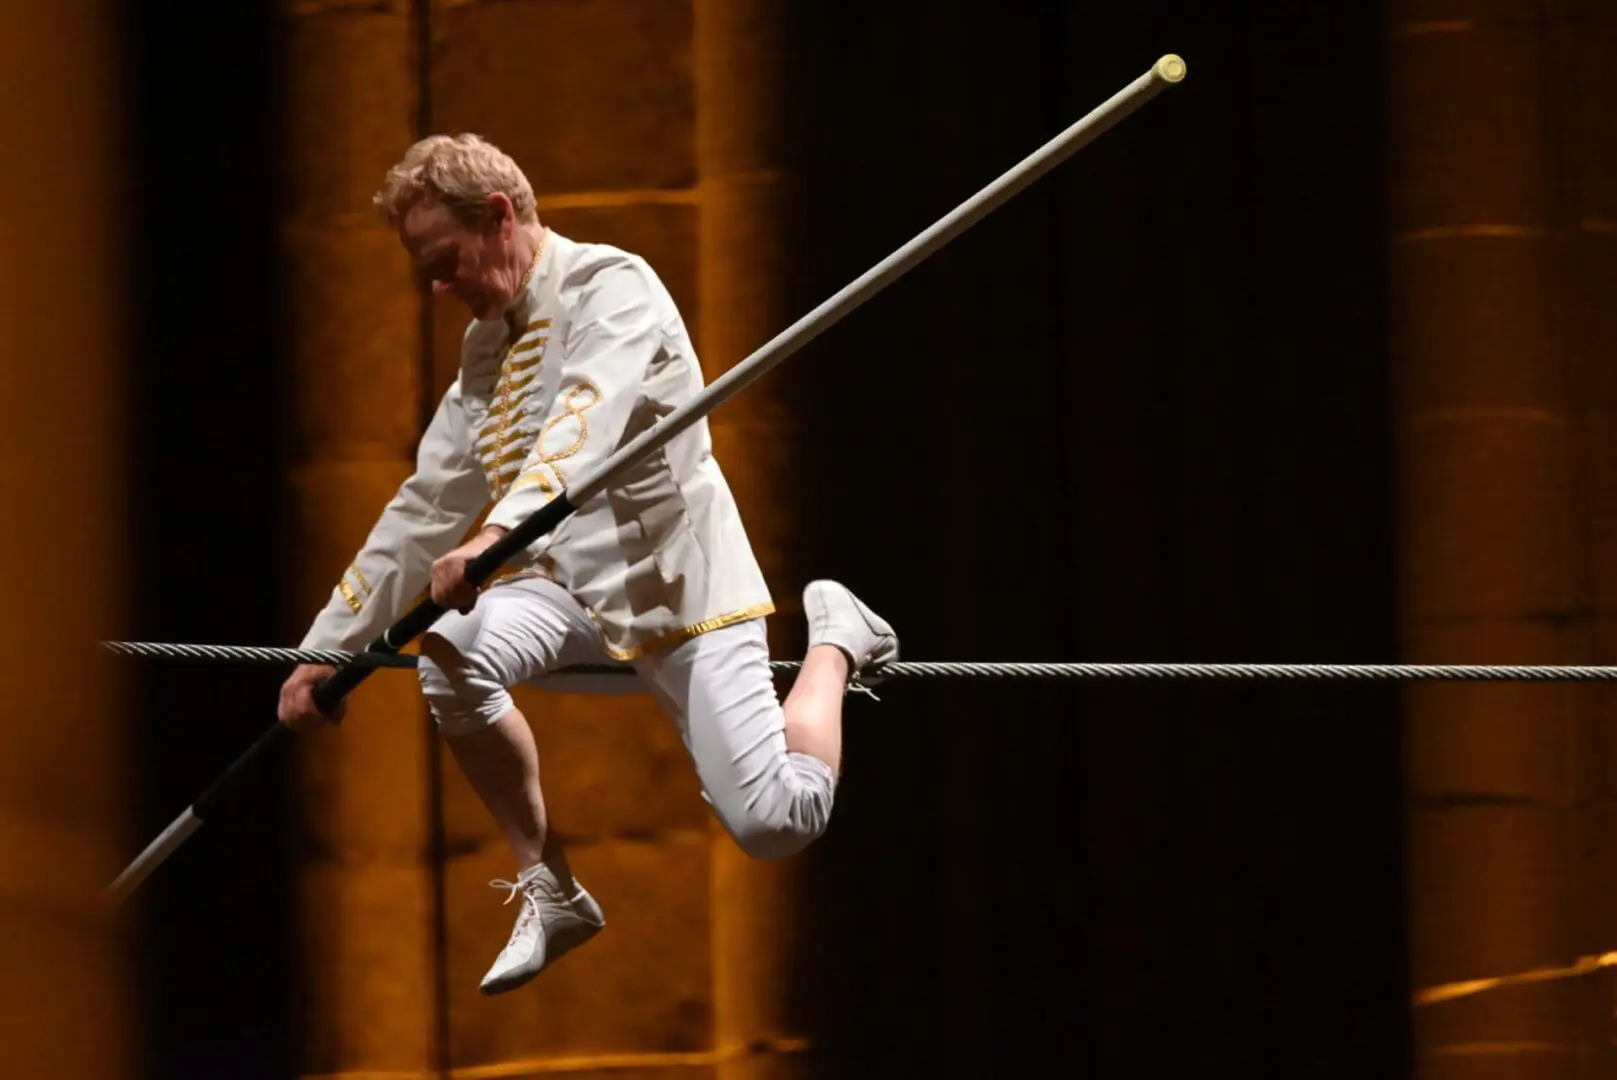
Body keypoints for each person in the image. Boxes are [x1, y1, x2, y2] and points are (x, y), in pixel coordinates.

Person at [275, 133, 899, 997]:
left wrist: (490, 539)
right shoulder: (485, 350)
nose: (436, 285)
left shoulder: (612, 287)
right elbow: (423, 506)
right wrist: (328, 647)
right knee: (450, 651)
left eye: (444, 259)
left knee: (775, 821)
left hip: (680, 593)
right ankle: (552, 887)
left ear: (498, 217)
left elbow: (583, 427)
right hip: (567, 594)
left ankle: (836, 639)